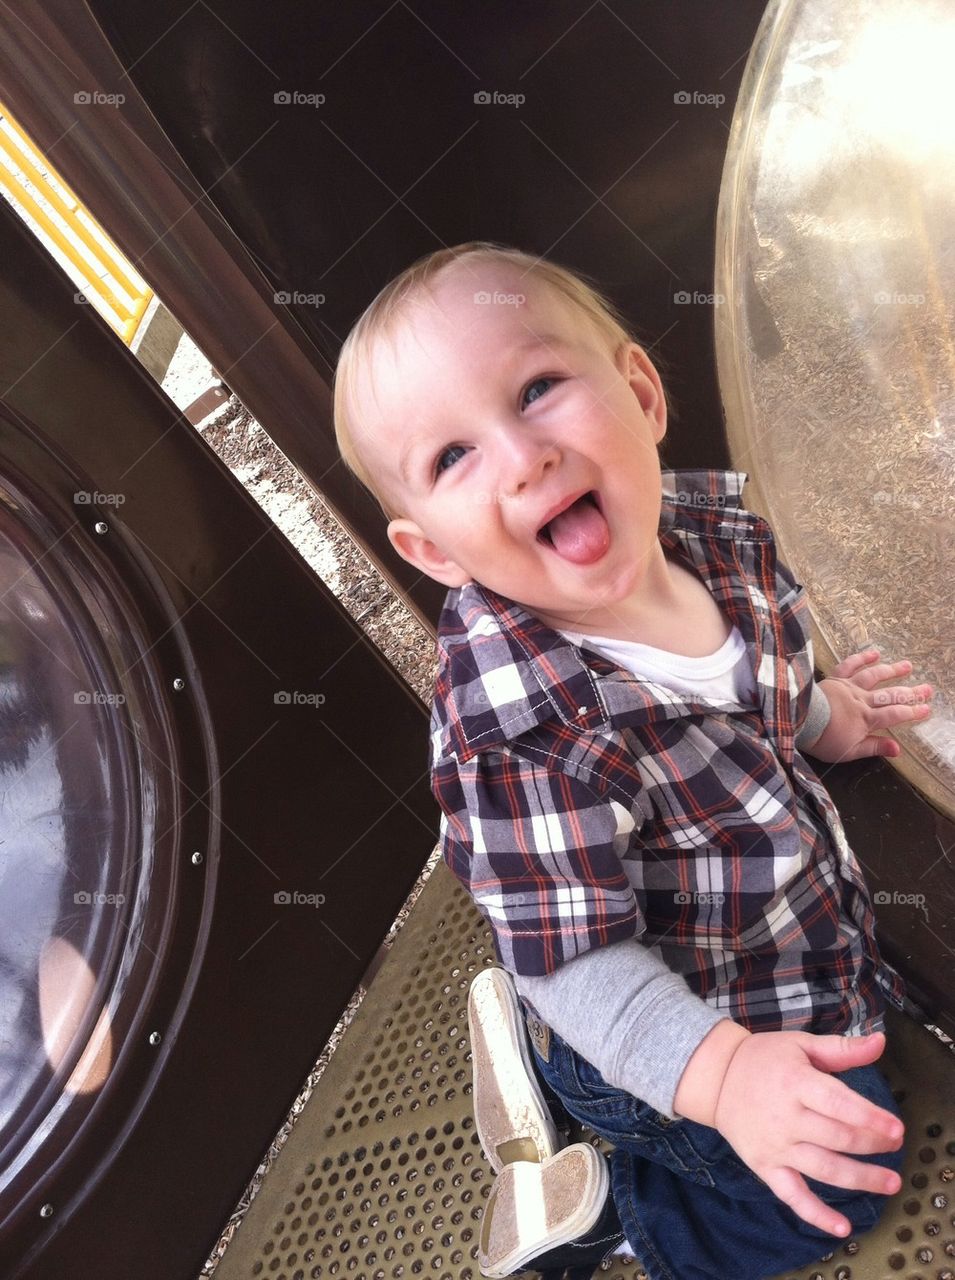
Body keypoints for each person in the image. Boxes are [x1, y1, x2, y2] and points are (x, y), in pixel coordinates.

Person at [331, 241, 935, 1280]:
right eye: (452, 457)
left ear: (640, 391)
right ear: (430, 549)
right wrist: (726, 1071)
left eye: (536, 388)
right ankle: (606, 1212)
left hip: (763, 946)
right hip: (670, 1015)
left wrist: (823, 716)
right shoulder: (525, 736)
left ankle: (532, 1059)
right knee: (835, 1180)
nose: (523, 458)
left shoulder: (715, 529)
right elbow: (577, 960)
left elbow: (754, 679)